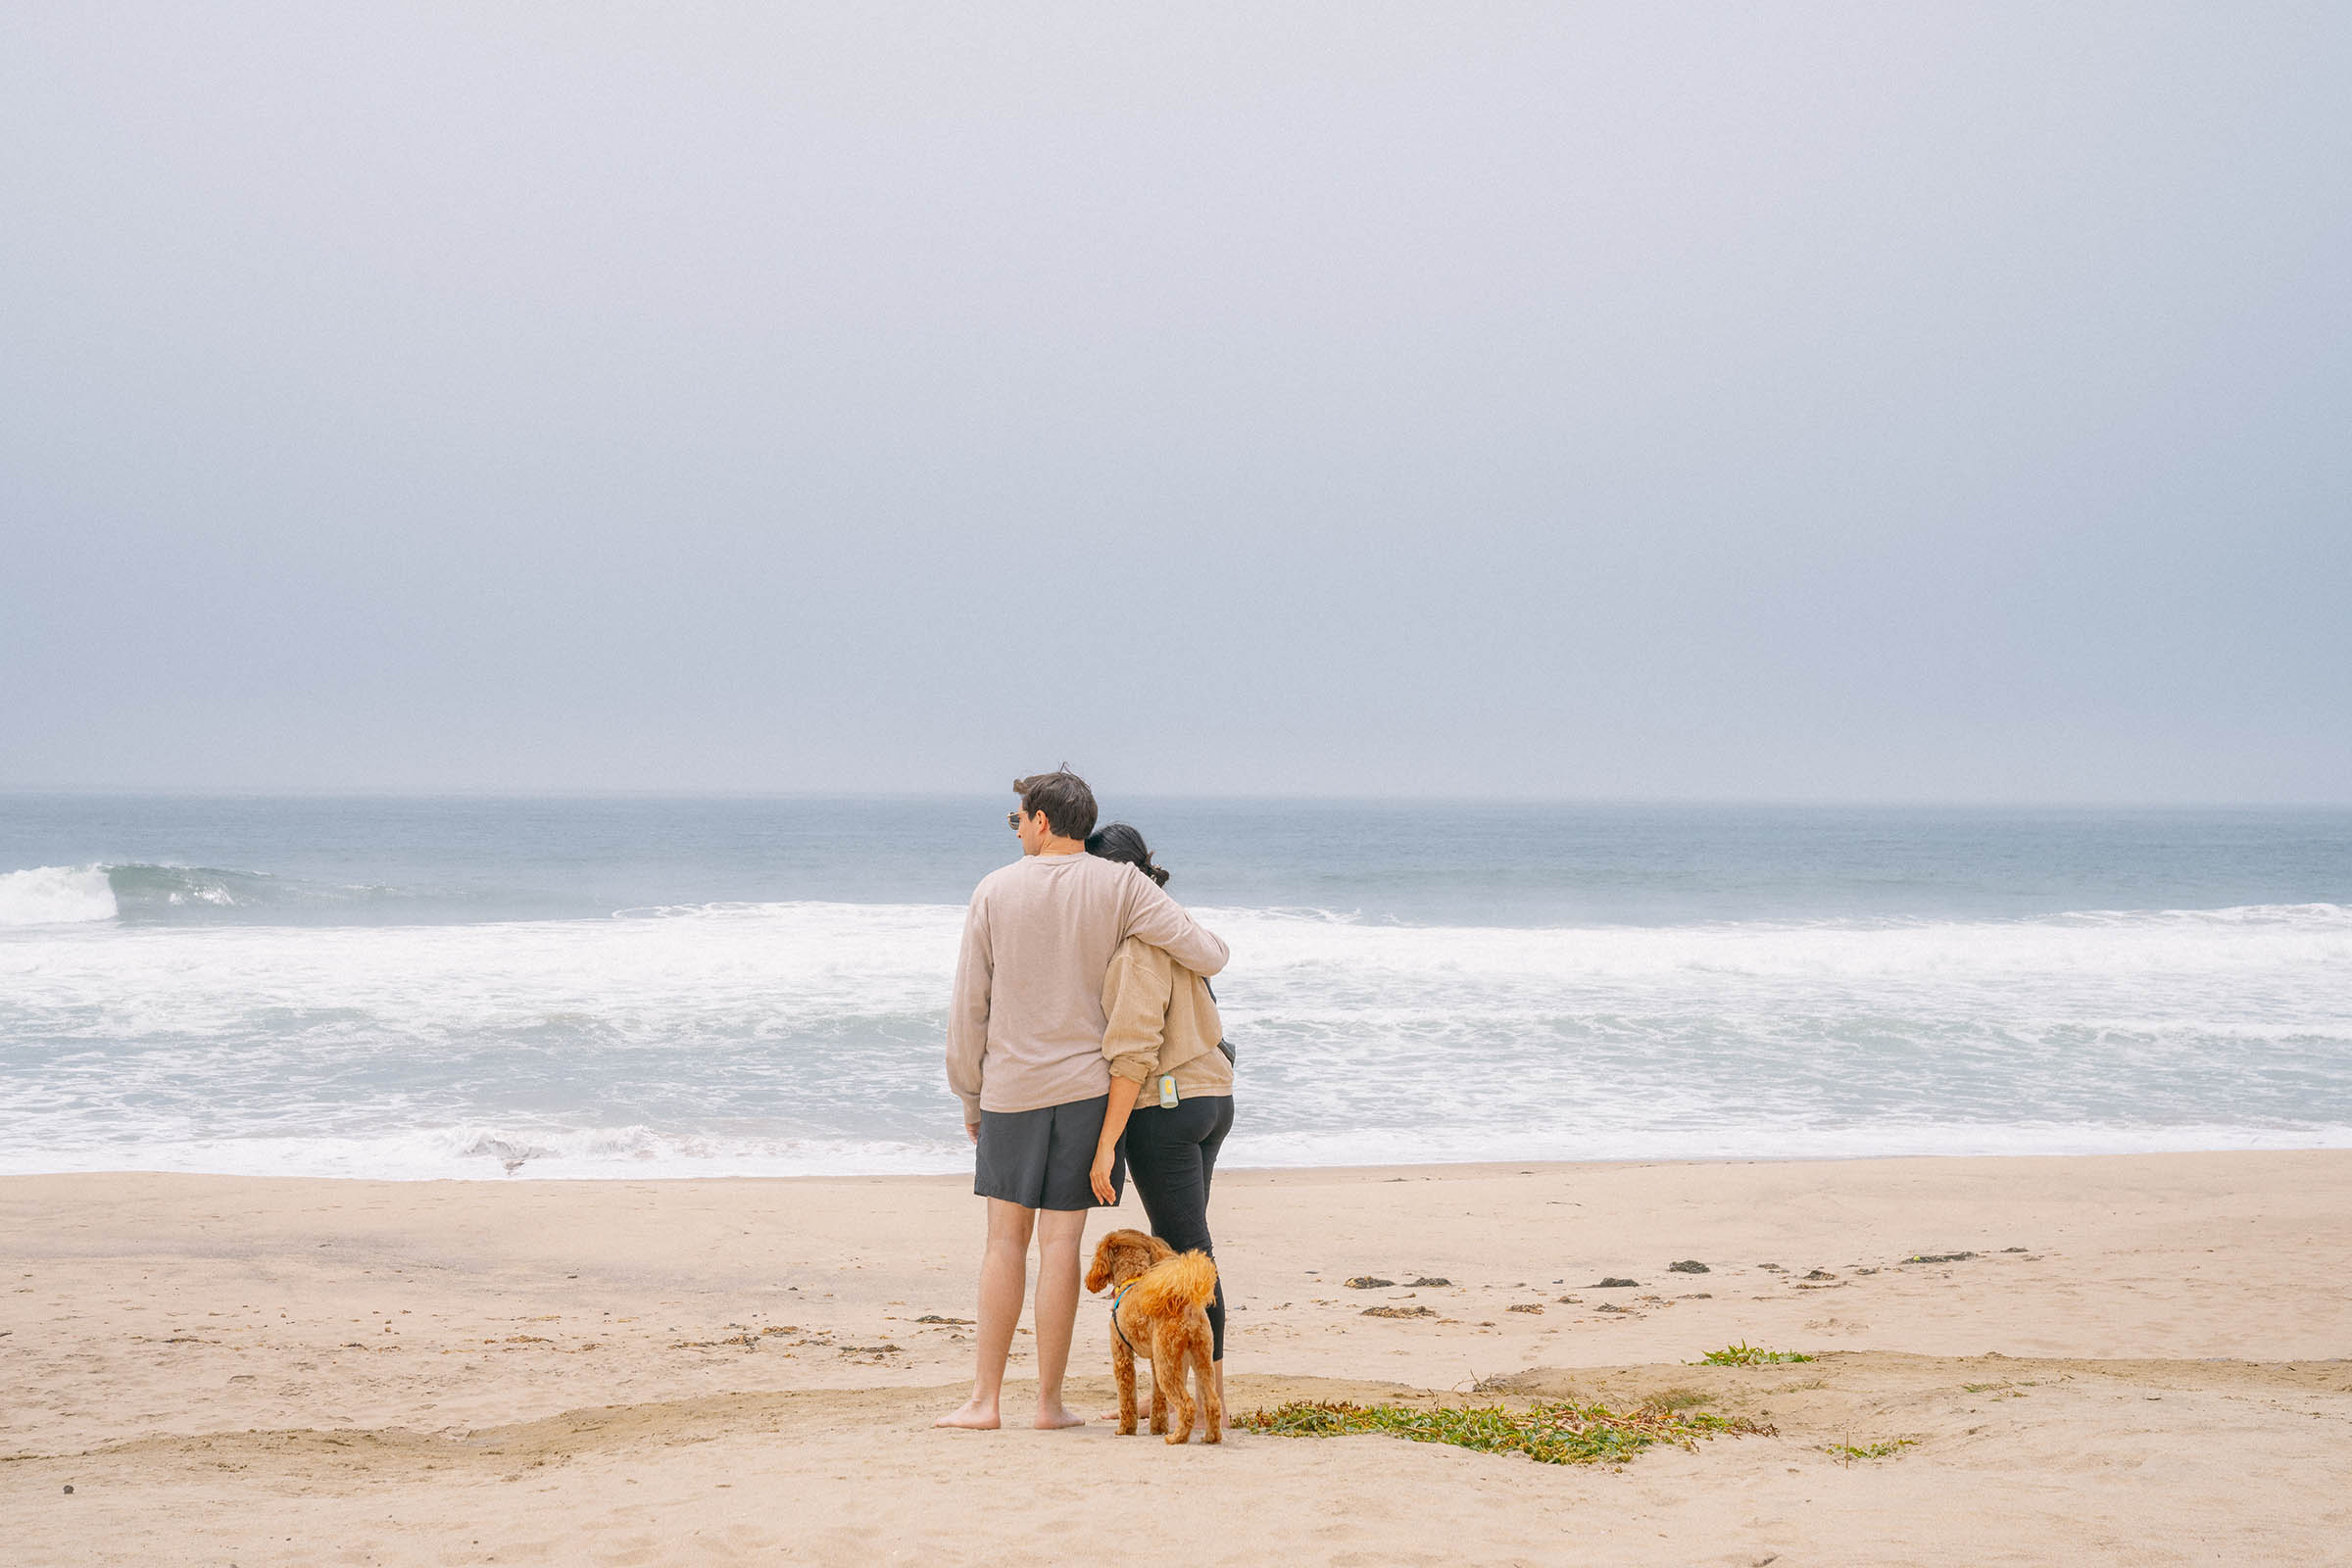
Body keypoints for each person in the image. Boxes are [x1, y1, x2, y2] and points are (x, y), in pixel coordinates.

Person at [936, 770, 1229, 1432]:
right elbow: (1209, 954)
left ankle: (985, 1403)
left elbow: (969, 1007)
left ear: (1042, 821)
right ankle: (1048, 1405)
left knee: (1003, 1244)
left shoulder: (994, 890)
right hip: (1088, 1095)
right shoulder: (1121, 884)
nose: (1016, 830)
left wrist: (969, 1092)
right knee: (1061, 1247)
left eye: (1019, 819)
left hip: (1011, 1090)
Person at [1082, 822, 1234, 1428]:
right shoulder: (1176, 930)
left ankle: (1211, 1401)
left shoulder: (1137, 950)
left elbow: (1133, 1055)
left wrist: (1106, 1143)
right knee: (1189, 1247)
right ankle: (1203, 1393)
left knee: (1189, 1257)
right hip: (1210, 1097)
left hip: (1165, 1109)